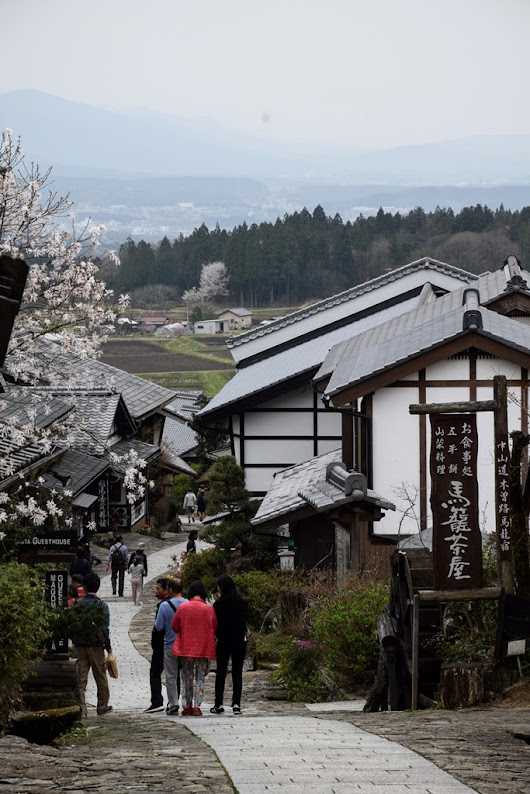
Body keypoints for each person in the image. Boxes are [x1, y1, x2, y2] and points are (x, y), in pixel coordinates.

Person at [171, 580, 217, 716]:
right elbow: (214, 627)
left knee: (187, 677)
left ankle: (187, 705)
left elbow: (174, 626)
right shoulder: (209, 609)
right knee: (201, 677)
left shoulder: (183, 608)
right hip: (203, 648)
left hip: (186, 648)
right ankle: (197, 705)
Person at [70, 572, 112, 717]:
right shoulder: (102, 605)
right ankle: (102, 707)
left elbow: (72, 625)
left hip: (80, 647)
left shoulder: (77, 605)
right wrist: (108, 647)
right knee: (101, 677)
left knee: (81, 680)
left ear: (85, 587)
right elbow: (105, 629)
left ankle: (82, 709)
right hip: (96, 647)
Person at [210, 574, 248, 715]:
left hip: (224, 641)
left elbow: (216, 624)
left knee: (221, 672)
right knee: (237, 673)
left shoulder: (218, 604)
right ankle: (236, 704)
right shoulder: (242, 602)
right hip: (239, 640)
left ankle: (218, 703)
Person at [154, 577, 187, 715]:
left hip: (170, 644)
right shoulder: (188, 604)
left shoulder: (164, 606)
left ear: (170, 589)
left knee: (171, 676)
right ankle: (187, 702)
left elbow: (158, 626)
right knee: (186, 675)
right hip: (186, 645)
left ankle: (173, 703)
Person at [145, 577, 170, 712]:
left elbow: (158, 627)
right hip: (172, 644)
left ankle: (157, 701)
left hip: (162, 646)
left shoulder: (163, 606)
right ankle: (173, 701)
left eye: (158, 588)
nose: (156, 591)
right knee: (173, 675)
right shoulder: (177, 603)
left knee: (155, 673)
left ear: (167, 589)